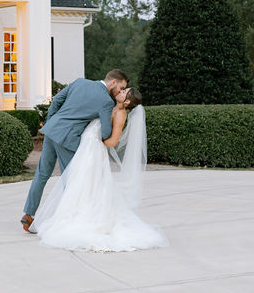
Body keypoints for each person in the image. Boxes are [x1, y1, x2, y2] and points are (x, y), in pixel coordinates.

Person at [32, 87, 167, 252]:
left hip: (94, 150)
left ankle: (89, 219)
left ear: (127, 102)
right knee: (81, 183)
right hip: (86, 147)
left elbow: (113, 141)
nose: (121, 91)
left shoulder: (120, 114)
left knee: (89, 183)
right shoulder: (109, 104)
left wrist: (95, 143)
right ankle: (77, 213)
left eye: (125, 92)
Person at [20, 69, 128, 232]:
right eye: (120, 88)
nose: (120, 92)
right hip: (68, 139)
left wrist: (52, 122)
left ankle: (28, 214)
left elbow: (56, 101)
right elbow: (105, 132)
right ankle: (66, 219)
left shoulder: (79, 82)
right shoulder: (106, 101)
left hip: (52, 130)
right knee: (71, 180)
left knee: (42, 174)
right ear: (113, 82)